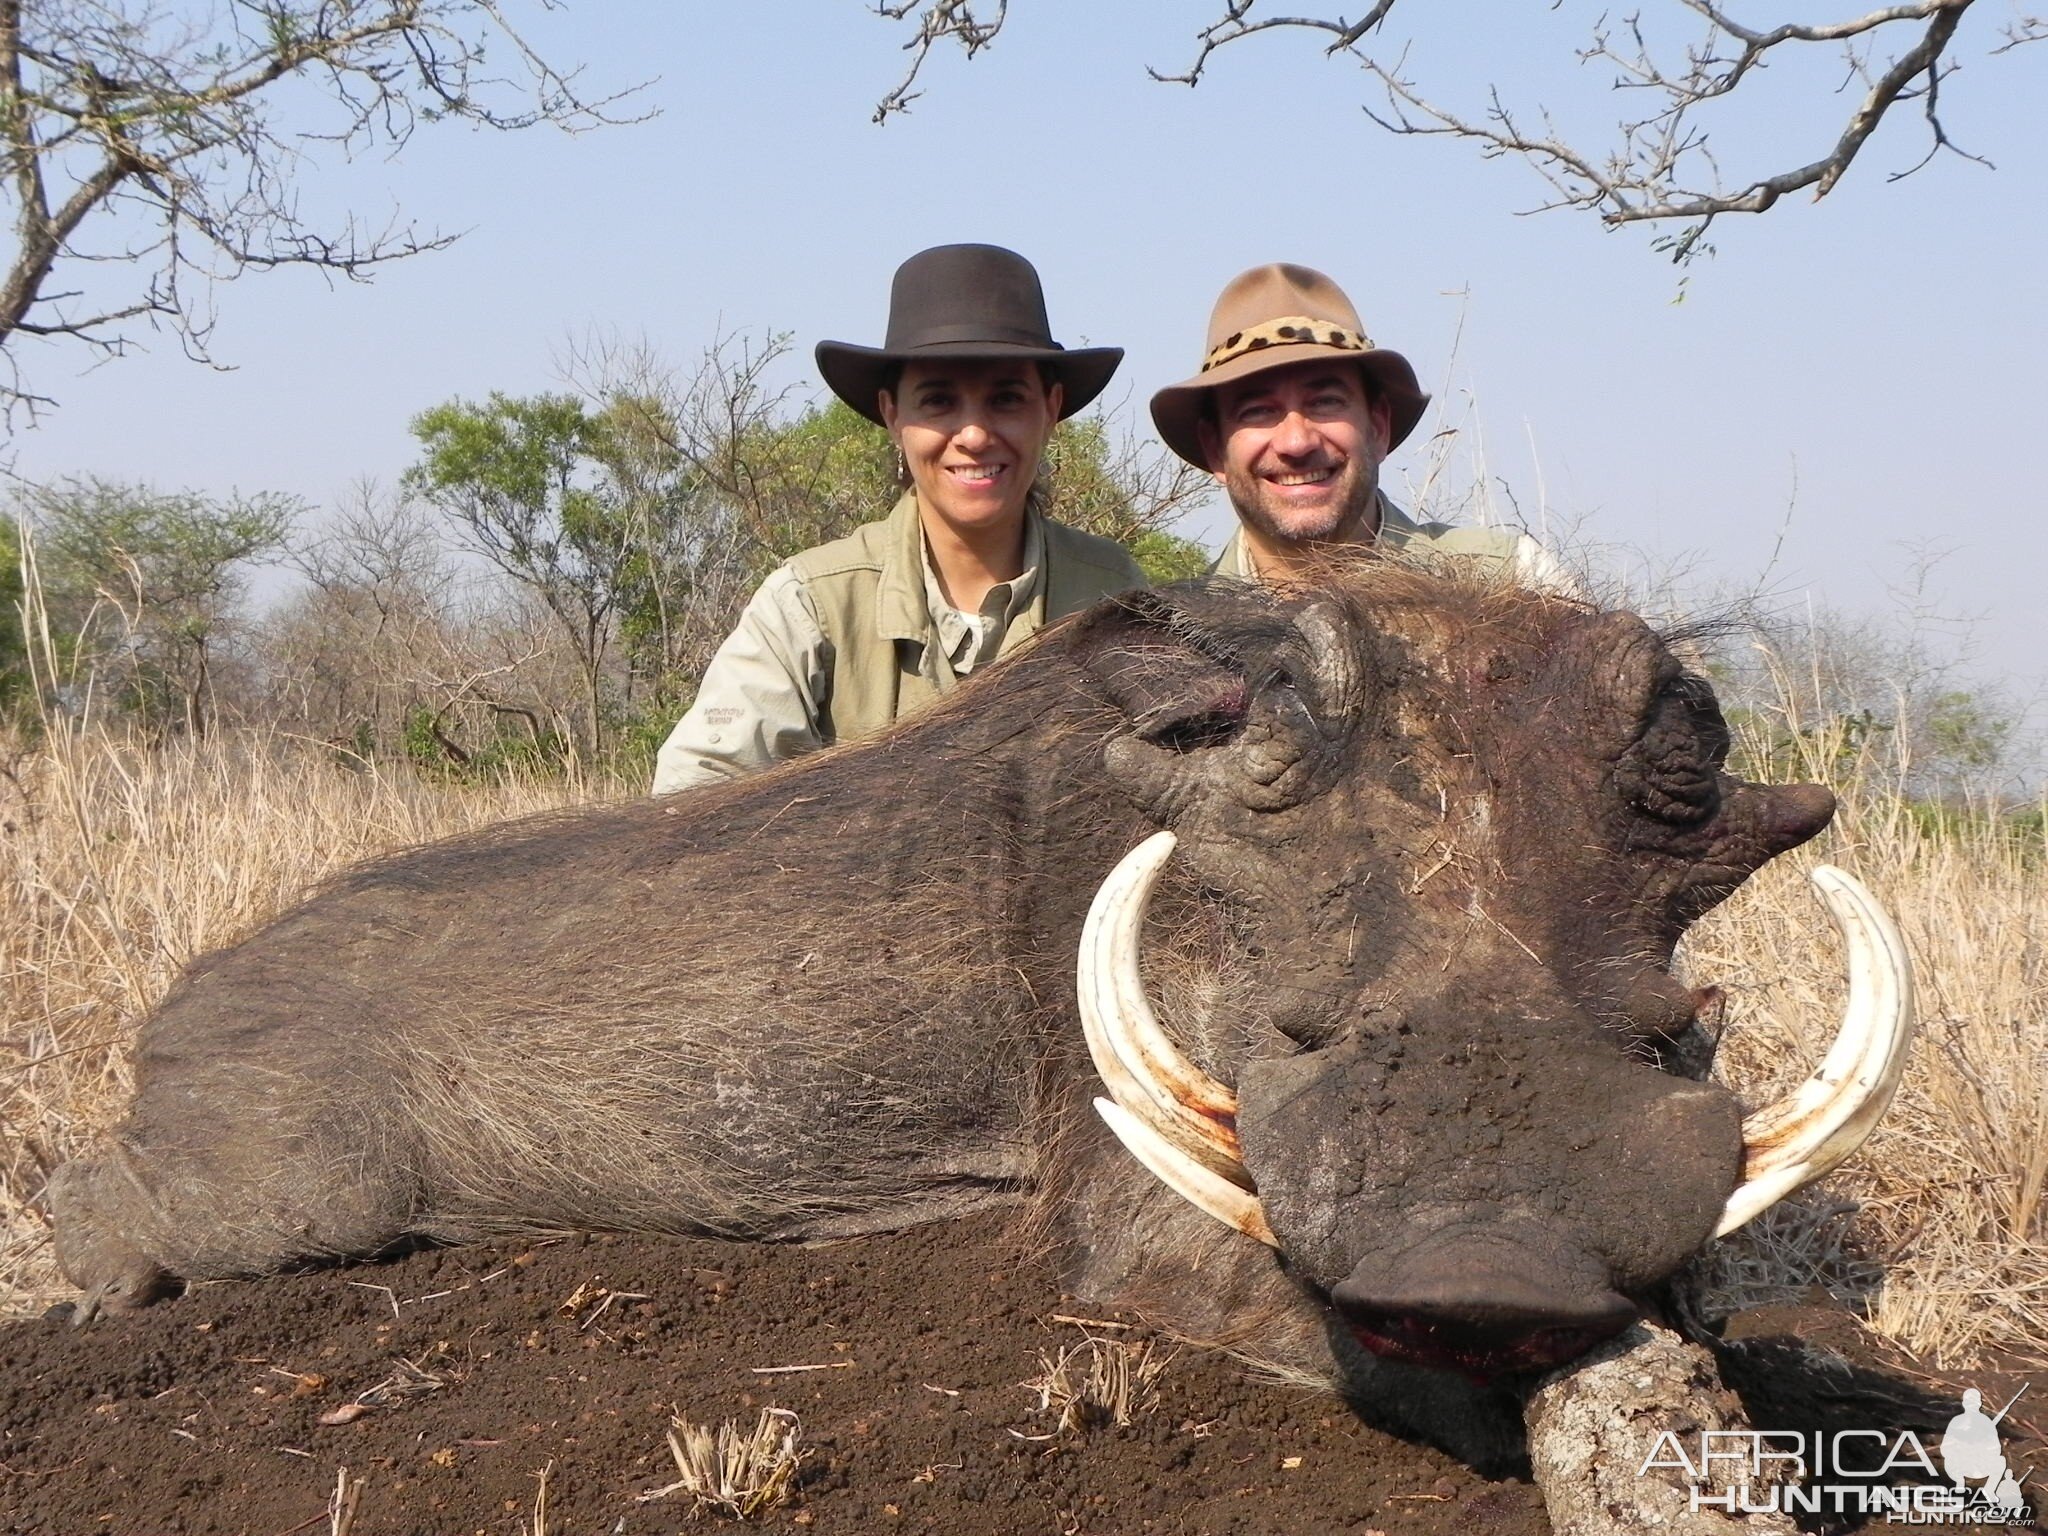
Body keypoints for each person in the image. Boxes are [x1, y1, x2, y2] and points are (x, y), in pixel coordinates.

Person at [653, 245, 1147, 794]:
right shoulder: (811, 603)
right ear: (893, 415)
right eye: (938, 402)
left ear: (1050, 409)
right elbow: (693, 800)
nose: (975, 435)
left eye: (1006, 399)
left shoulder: (1117, 597)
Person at [1149, 263, 1570, 588]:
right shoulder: (1165, 645)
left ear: (1379, 427)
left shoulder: (1515, 582)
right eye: (1257, 411)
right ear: (1213, 450)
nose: (1296, 442)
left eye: (1326, 402)